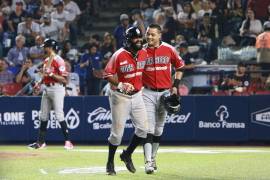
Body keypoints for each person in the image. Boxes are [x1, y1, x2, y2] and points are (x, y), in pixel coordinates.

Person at [104, 27, 148, 175]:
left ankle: (127, 154)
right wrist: (121, 84)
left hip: (137, 95)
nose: (139, 40)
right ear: (128, 40)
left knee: (143, 129)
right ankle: (110, 162)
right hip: (120, 95)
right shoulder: (119, 55)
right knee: (117, 134)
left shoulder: (144, 53)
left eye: (140, 37)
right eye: (135, 38)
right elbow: (107, 74)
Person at [142, 23, 185, 174]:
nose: (149, 37)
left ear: (160, 35)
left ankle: (153, 158)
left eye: (153, 34)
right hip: (146, 92)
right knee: (148, 128)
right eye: (148, 34)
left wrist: (176, 85)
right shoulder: (141, 50)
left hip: (165, 93)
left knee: (159, 128)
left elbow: (180, 66)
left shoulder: (169, 49)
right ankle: (147, 162)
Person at [28, 38, 73, 150]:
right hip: (47, 88)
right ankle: (41, 142)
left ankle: (68, 142)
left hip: (57, 89)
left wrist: (52, 74)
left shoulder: (59, 60)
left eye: (46, 46)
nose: (44, 48)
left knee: (59, 115)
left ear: (51, 47)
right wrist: (39, 83)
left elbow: (64, 79)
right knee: (43, 116)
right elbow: (44, 75)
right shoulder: (47, 60)